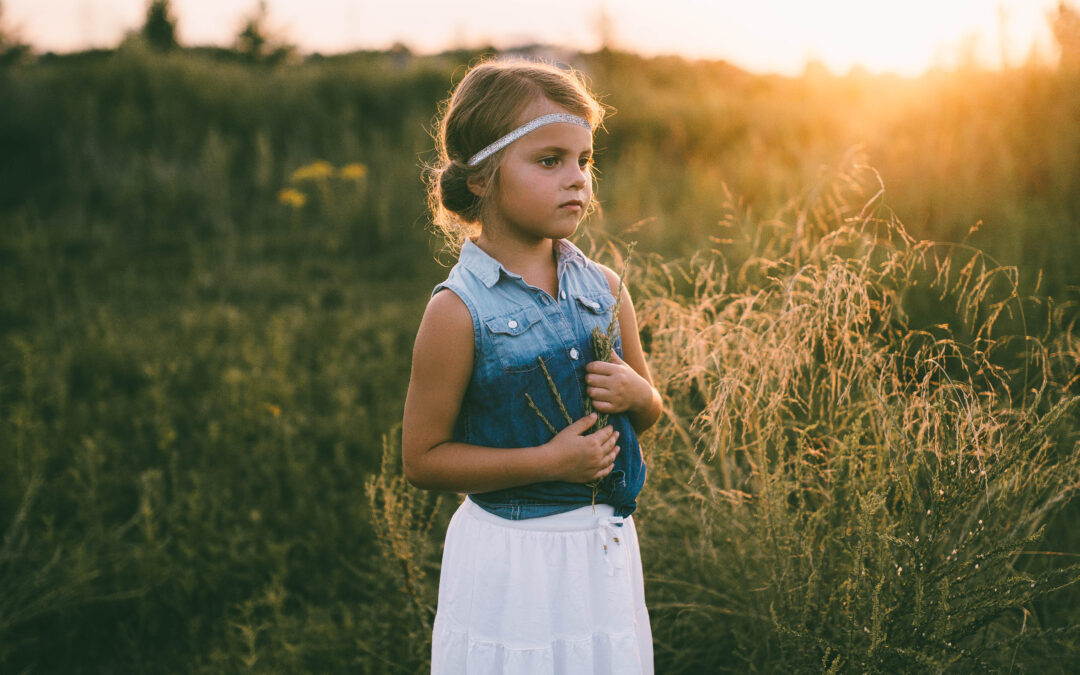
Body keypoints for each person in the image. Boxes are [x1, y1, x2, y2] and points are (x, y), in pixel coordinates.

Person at [401, 57, 662, 674]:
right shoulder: (458, 311)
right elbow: (422, 459)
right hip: (513, 561)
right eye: (550, 161)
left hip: (600, 556)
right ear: (483, 178)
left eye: (585, 160)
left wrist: (635, 394)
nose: (577, 179)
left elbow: (649, 411)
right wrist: (550, 462)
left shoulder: (605, 288)